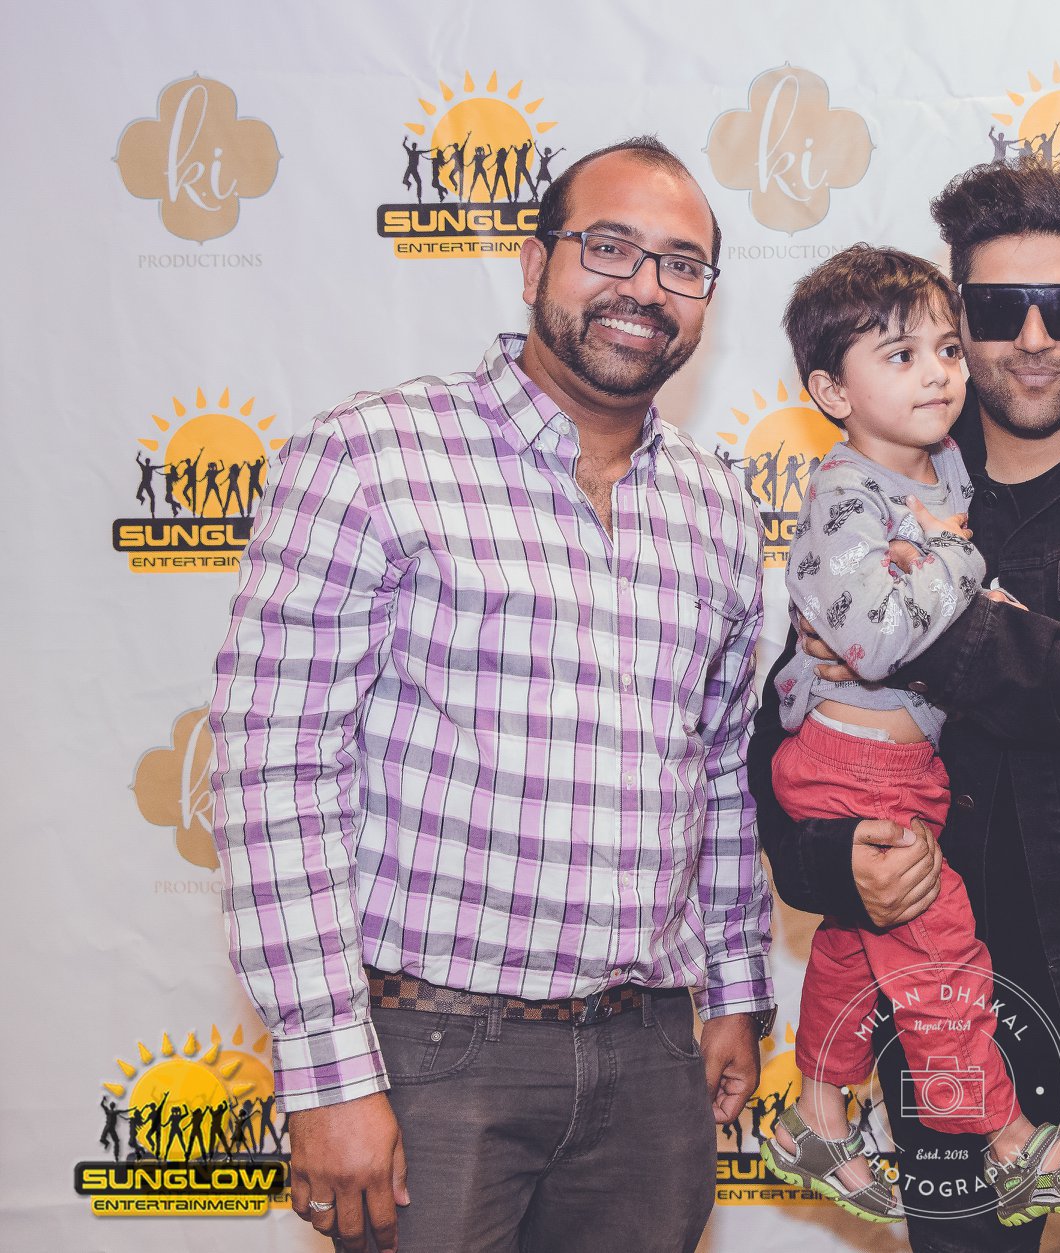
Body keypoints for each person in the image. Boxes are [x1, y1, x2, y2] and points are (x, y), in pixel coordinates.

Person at [209, 137, 774, 1253]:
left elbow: (719, 772)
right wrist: (327, 1069)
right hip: (430, 1053)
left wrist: (736, 991)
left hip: (652, 1058)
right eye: (608, 247)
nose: (643, 287)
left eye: (680, 264)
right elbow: (273, 769)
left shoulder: (718, 505)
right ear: (532, 263)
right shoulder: (371, 458)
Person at [751, 158, 1060, 1253]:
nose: (1033, 336)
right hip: (938, 1006)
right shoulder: (888, 480)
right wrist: (830, 864)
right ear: (957, 316)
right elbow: (790, 724)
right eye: (996, 308)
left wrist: (950, 633)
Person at [757, 244, 1060, 1228]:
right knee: (943, 964)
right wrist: (960, 566)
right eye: (899, 356)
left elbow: (934, 613)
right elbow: (879, 635)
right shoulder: (846, 498)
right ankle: (1009, 1141)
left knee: (858, 946)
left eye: (944, 349)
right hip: (849, 766)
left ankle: (815, 1110)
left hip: (901, 764)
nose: (936, 373)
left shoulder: (944, 469)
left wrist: (945, 576)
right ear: (830, 392)